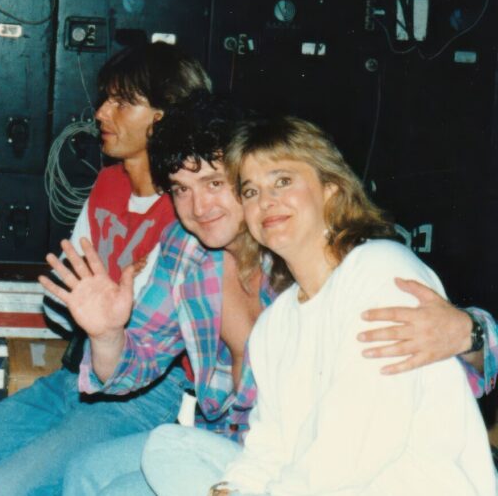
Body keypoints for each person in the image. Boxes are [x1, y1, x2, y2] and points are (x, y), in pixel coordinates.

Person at [43, 93, 498, 495]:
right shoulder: (229, 282)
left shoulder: (367, 263)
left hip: (356, 475)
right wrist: (105, 334)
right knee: (102, 469)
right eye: (182, 190)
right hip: (254, 453)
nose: (199, 208)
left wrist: (472, 331)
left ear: (330, 190)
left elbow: (371, 432)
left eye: (217, 184)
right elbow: (267, 440)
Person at [0, 41, 212, 496]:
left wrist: (94, 309)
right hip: (78, 372)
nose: (102, 114)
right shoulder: (108, 182)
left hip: (148, 393)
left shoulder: (190, 210)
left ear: (165, 117)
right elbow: (60, 303)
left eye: (123, 102)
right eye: (105, 98)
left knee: (4, 490)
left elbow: (135, 331)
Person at [192, 116, 495, 495]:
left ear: (331, 189)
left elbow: (355, 449)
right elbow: (269, 446)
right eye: (250, 192)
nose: (266, 201)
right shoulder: (275, 325)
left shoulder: (382, 271)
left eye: (282, 181)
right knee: (162, 451)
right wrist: (231, 488)